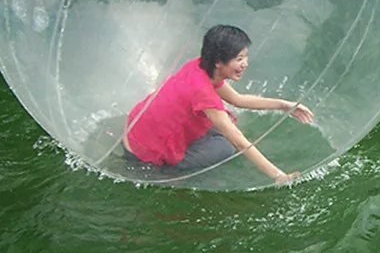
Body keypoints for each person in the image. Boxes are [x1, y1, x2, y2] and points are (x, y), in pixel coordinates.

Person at [123, 25, 314, 184]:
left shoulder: (198, 67)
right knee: (225, 147)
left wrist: (284, 105)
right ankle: (169, 170)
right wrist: (279, 176)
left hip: (137, 127)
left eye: (245, 57)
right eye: (239, 59)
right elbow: (239, 142)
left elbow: (237, 99)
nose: (245, 64)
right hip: (144, 152)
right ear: (218, 62)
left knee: (222, 125)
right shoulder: (203, 92)